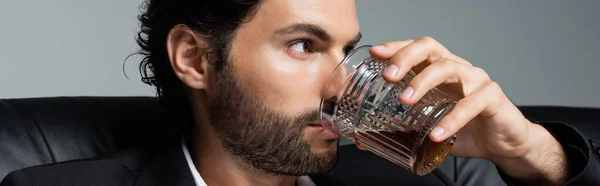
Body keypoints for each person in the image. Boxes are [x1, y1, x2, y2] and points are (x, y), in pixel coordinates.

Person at [1, 0, 599, 185]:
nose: (343, 83)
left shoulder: (406, 180)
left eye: (347, 50)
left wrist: (531, 153)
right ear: (195, 59)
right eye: (304, 46)